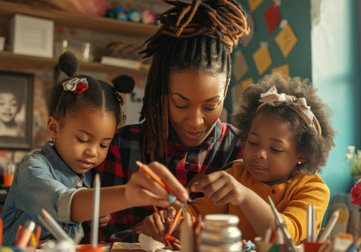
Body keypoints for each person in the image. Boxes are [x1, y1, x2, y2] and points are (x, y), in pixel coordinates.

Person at [96, 0, 250, 239]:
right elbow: (90, 239)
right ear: (162, 90)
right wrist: (139, 233)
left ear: (226, 88)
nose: (196, 121)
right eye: (181, 104)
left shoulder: (243, 150)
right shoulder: (121, 147)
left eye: (210, 106)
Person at [1, 52, 189, 244]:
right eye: (82, 139)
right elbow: (64, 203)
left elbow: (79, 212)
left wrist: (94, 216)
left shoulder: (89, 176)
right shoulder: (32, 168)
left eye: (103, 144)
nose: (93, 152)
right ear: (54, 128)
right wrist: (127, 194)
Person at [142, 73, 336, 244]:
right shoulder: (236, 174)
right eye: (252, 142)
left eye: (276, 149)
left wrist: (243, 196)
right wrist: (171, 220)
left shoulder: (313, 190)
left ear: (302, 155)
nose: (259, 153)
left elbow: (284, 238)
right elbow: (198, 216)